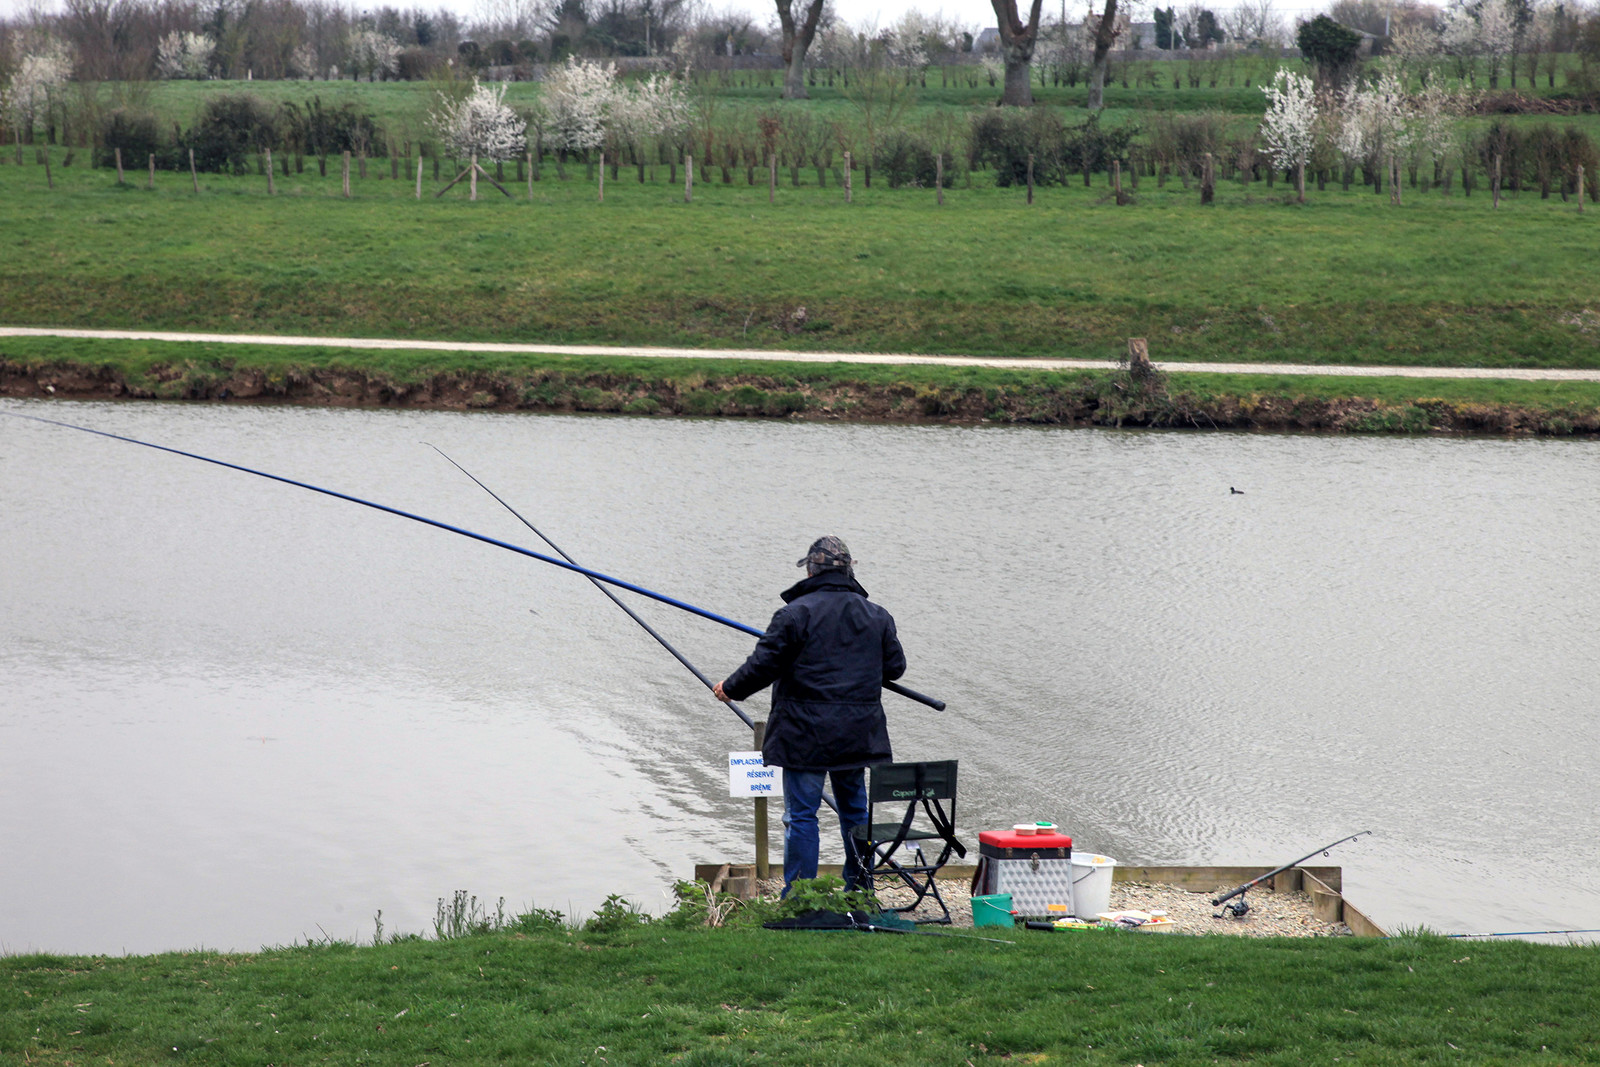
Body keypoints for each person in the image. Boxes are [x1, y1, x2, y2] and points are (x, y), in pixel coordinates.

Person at [713, 536, 907, 896]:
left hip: (805, 735)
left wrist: (732, 688)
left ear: (811, 569)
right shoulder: (878, 616)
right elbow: (895, 668)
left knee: (802, 816)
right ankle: (859, 888)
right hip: (857, 734)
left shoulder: (794, 614)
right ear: (849, 571)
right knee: (855, 813)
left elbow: (764, 665)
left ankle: (800, 896)